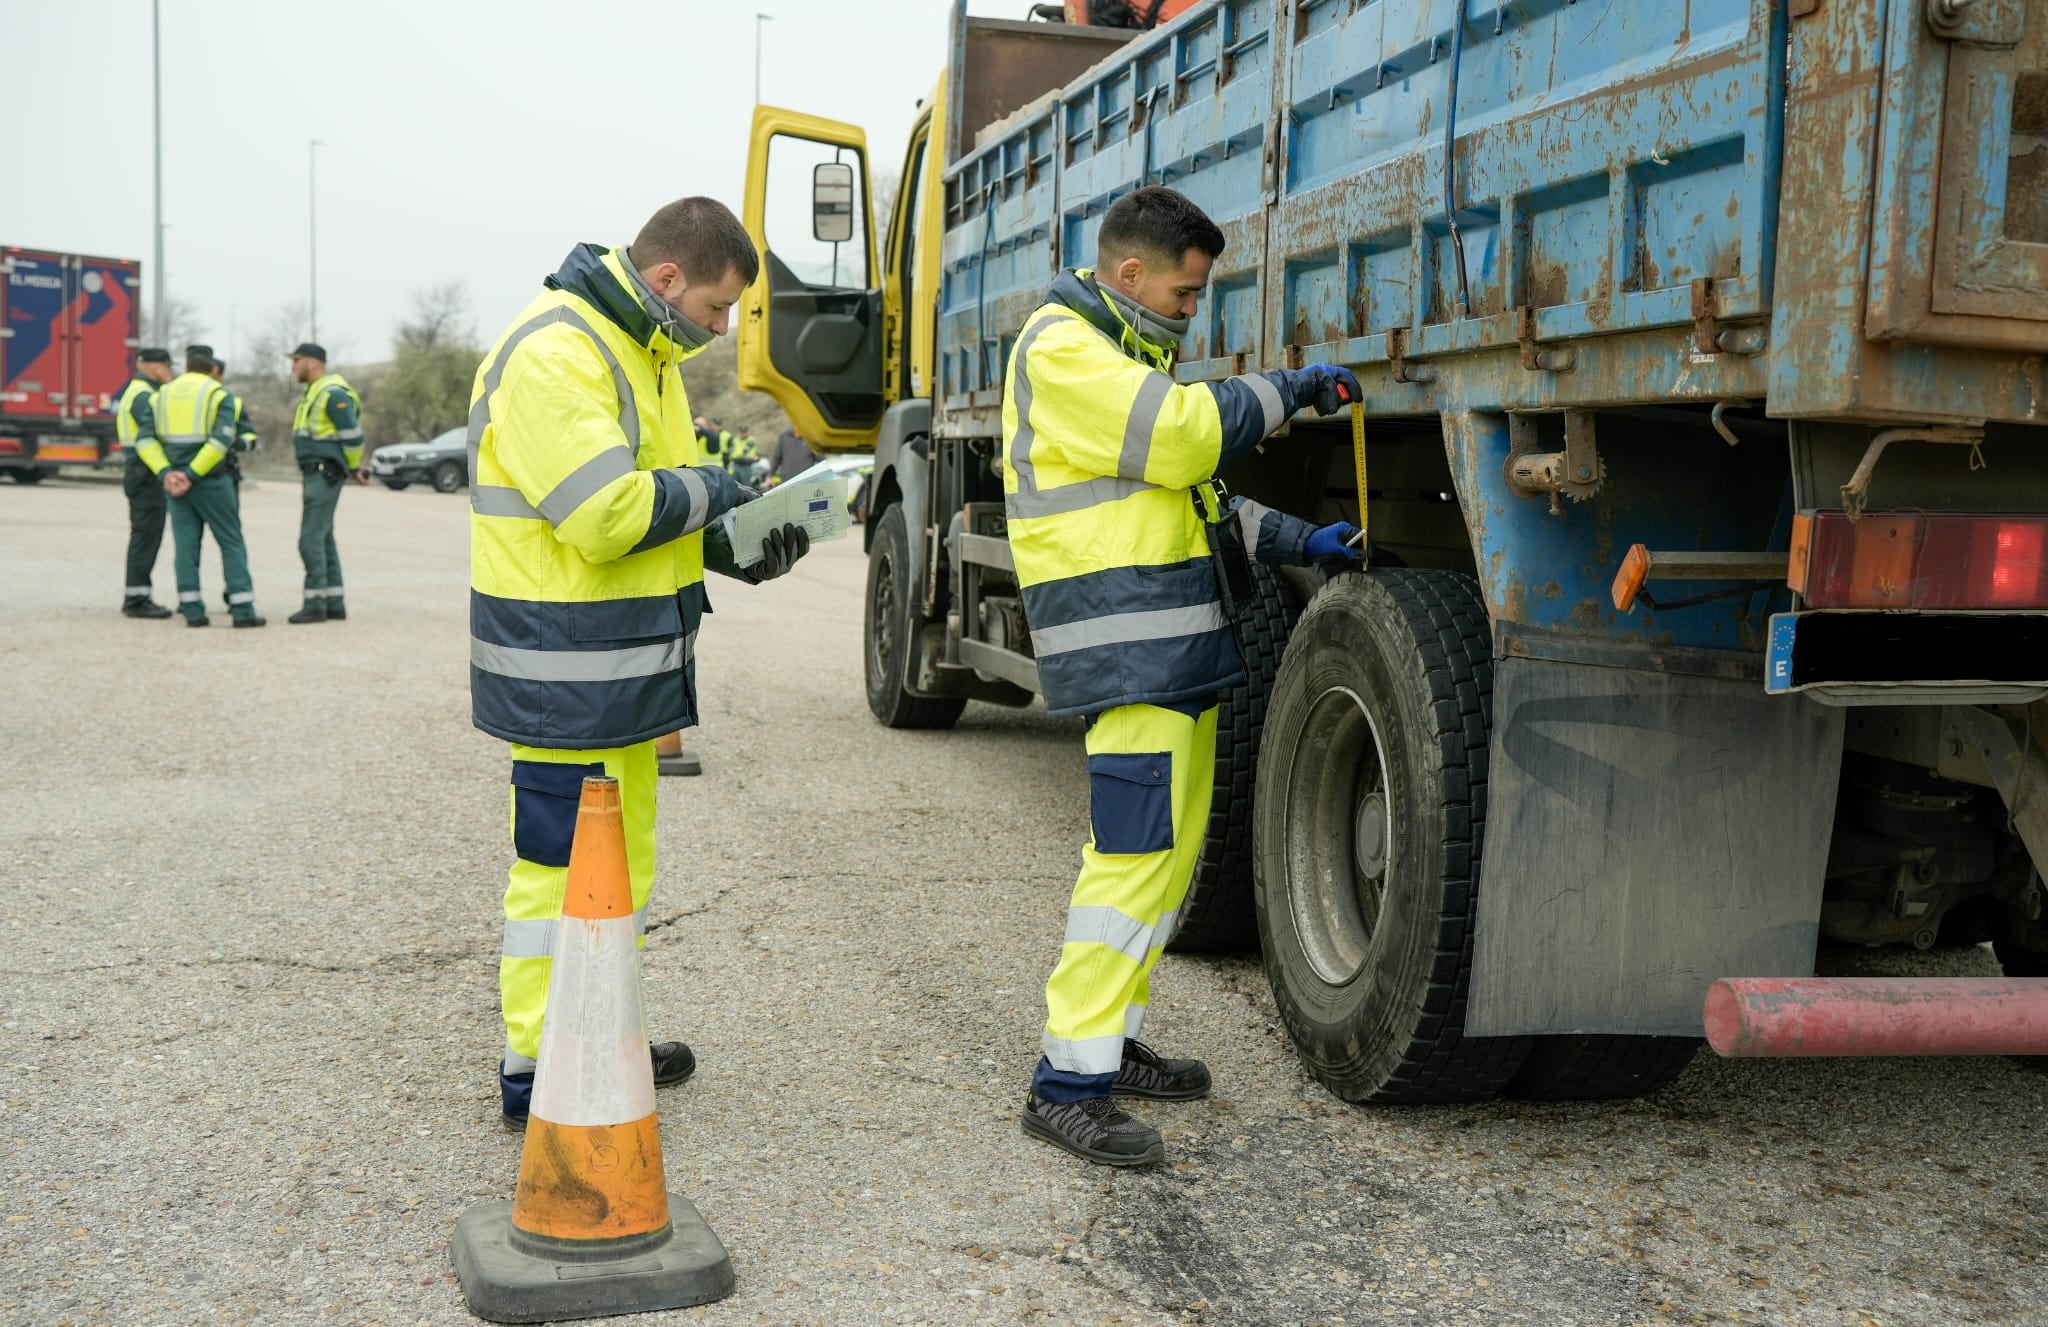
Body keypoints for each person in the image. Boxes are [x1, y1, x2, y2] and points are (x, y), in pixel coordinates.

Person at [1005, 186, 1363, 1166]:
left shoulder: (1121, 355)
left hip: (1167, 643)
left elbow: (1199, 500)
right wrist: (1287, 391)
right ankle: (1064, 1083)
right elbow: (1182, 437)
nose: (1189, 308)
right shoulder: (1062, 348)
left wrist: (1298, 539)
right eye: (1183, 290)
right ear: (1128, 275)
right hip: (1126, 651)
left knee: (1163, 856)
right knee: (1128, 860)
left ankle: (1105, 1044)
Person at [469, 196, 812, 1128]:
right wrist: (712, 487)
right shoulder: (558, 349)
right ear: (666, 280)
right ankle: (538, 1063)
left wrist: (740, 541)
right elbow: (604, 514)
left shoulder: (640, 352)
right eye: (714, 310)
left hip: (618, 668)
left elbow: (658, 515)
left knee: (619, 871)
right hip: (561, 669)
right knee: (555, 874)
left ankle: (598, 1032)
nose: (721, 330)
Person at [145, 346, 265, 628]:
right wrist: (191, 474)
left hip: (175, 485)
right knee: (231, 542)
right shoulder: (219, 395)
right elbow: (219, 442)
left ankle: (192, 610)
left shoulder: (162, 395)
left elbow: (145, 441)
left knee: (185, 546)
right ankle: (242, 610)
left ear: (186, 367)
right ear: (213, 370)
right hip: (212, 481)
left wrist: (167, 473)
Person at [285, 342, 365, 624]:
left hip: (324, 474)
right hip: (316, 473)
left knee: (310, 539)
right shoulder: (315, 392)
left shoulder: (332, 394)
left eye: (296, 361)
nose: (292, 367)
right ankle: (334, 603)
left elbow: (353, 437)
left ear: (313, 362)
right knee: (324, 538)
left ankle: (314, 604)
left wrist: (353, 467)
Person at [116, 347, 177, 618]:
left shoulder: (136, 392)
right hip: (145, 473)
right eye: (168, 367)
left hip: (140, 472)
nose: (171, 373)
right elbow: (154, 436)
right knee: (146, 535)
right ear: (157, 368)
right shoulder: (145, 397)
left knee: (145, 534)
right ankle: (137, 599)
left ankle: (138, 595)